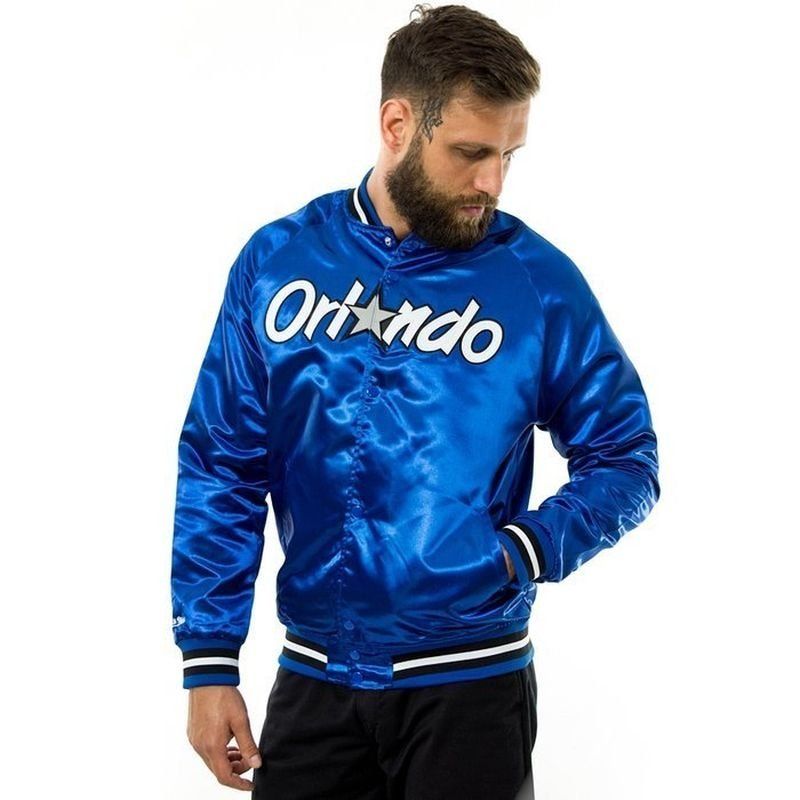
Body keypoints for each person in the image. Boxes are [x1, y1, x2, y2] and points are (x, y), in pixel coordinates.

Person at [170, 4, 660, 798]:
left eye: (508, 154)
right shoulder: (279, 262)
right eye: (471, 152)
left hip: (472, 687)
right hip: (315, 682)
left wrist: (523, 552)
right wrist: (210, 658)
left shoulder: (537, 284)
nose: (492, 182)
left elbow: (627, 457)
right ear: (397, 125)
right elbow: (222, 462)